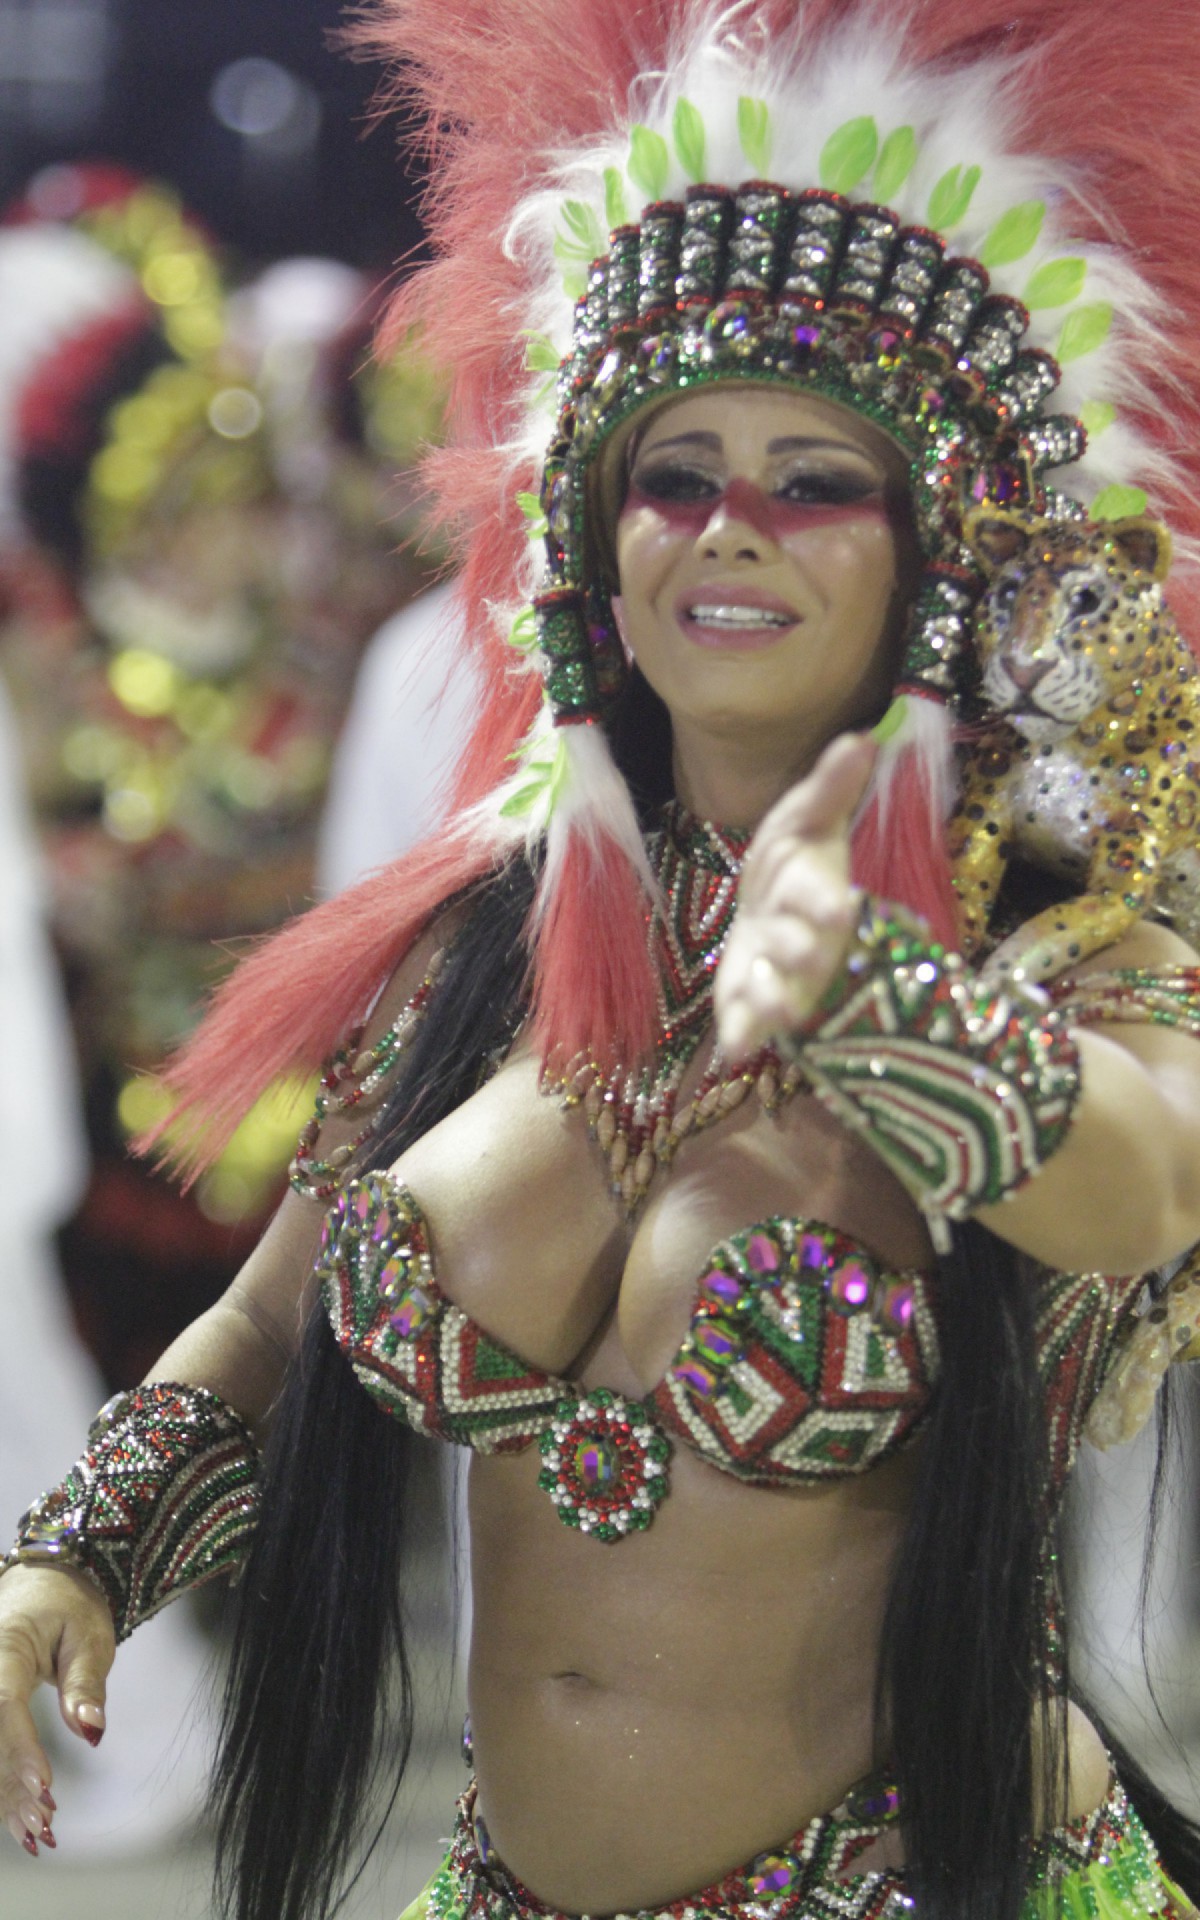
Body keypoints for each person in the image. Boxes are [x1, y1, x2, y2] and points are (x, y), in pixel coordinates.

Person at [3, 8, 1200, 1920]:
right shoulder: (491, 943)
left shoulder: (1057, 934)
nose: (731, 531)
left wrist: (891, 1011)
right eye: (675, 474)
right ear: (590, 535)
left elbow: (1143, 1189)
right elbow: (272, 1325)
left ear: (940, 554)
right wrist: (78, 1556)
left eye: (817, 481)